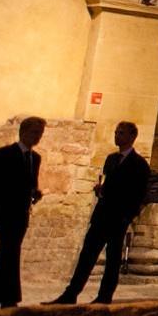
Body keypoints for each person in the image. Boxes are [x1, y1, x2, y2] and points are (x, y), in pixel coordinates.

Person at [50, 121, 150, 305]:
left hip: (118, 218)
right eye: (116, 132)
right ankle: (71, 293)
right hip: (102, 214)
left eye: (121, 133)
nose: (117, 136)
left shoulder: (139, 165)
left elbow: (139, 194)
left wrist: (127, 216)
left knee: (112, 259)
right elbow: (109, 182)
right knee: (87, 255)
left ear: (131, 137)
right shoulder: (111, 159)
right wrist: (101, 189)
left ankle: (104, 296)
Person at [0, 116, 45, 309]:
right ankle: (1, 299)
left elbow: (30, 183)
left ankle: (0, 298)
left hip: (21, 214)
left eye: (40, 133)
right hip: (4, 214)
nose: (37, 137)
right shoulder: (4, 154)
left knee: (8, 253)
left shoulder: (36, 158)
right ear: (23, 132)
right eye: (34, 132)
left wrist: (34, 193)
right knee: (9, 251)